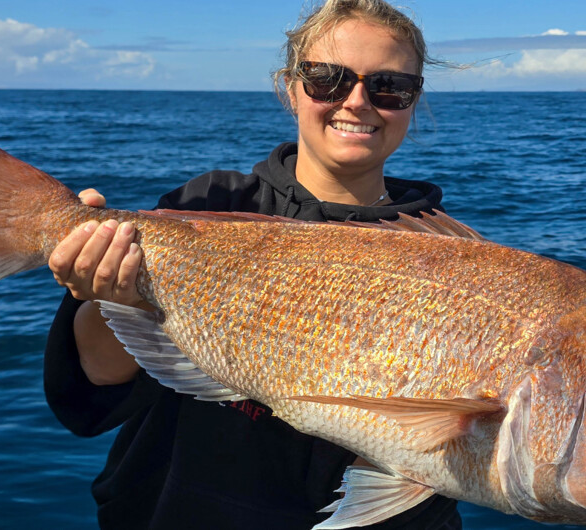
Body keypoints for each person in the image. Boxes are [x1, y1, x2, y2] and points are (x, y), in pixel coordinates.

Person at [44, 0, 464, 528]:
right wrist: (104, 294)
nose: (357, 102)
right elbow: (96, 388)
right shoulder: (207, 206)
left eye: (389, 86)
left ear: (412, 100)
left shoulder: (453, 260)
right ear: (290, 88)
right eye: (327, 80)